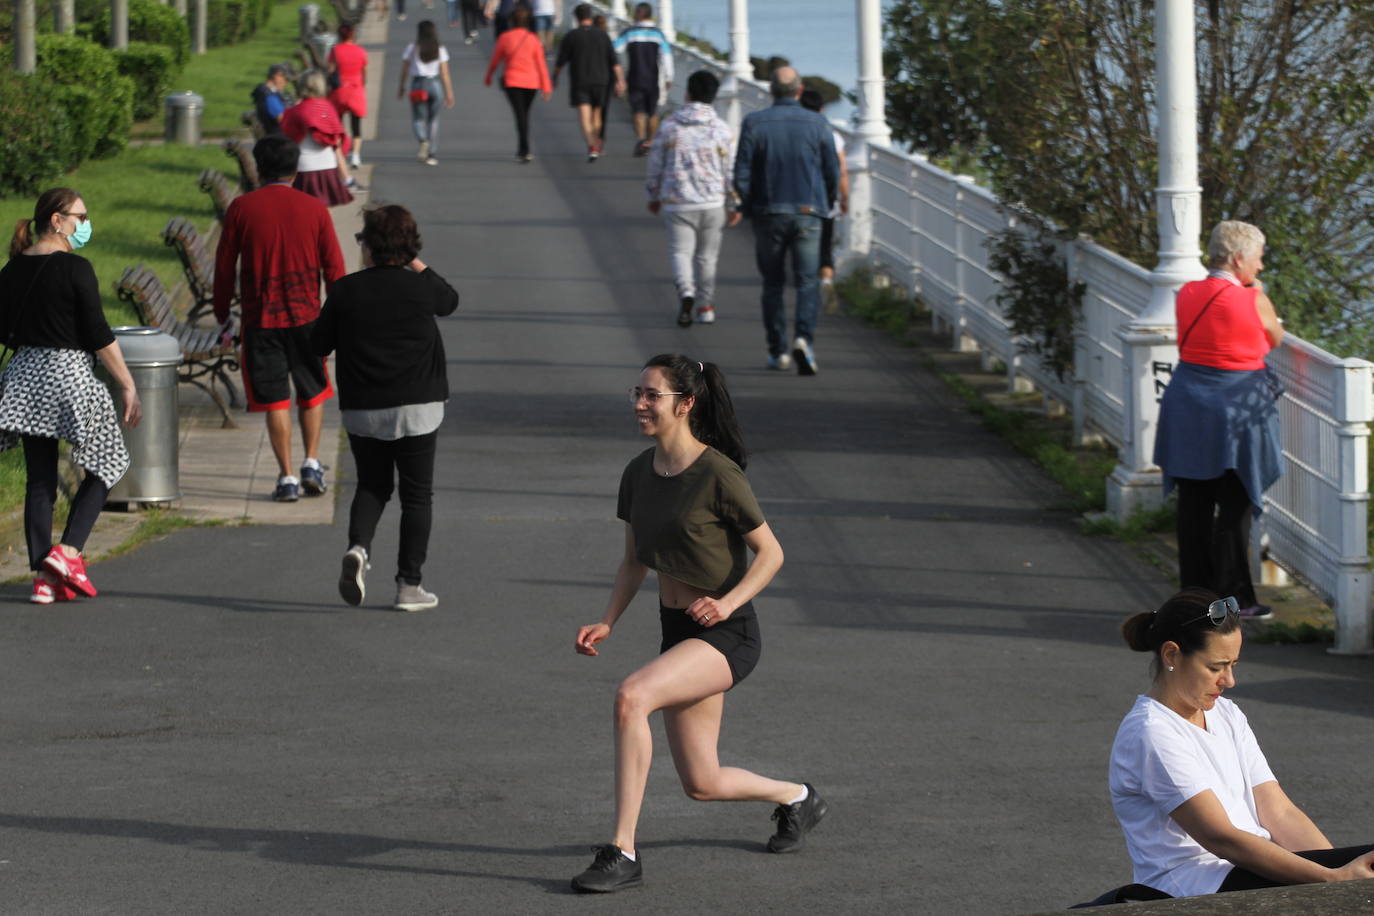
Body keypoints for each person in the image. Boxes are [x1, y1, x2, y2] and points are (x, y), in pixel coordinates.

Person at [571, 354, 827, 893]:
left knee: (631, 696)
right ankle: (798, 798)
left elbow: (772, 554)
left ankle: (622, 850)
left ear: (685, 404)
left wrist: (729, 603)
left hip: (727, 634)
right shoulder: (638, 472)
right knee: (702, 784)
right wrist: (608, 621)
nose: (640, 404)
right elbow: (634, 559)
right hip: (679, 630)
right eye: (637, 393)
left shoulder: (717, 473)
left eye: (652, 395)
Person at [1110, 588, 1374, 898]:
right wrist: (1332, 881)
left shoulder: (1226, 713)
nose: (1229, 680)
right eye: (1216, 667)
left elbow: (1279, 812)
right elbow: (1220, 838)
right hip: (1193, 885)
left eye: (1233, 665)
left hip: (1243, 868)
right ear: (1171, 655)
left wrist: (1340, 876)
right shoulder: (1151, 733)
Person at [312, 205, 459, 613]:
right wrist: (412, 258)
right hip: (419, 406)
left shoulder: (345, 290)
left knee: (372, 485)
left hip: (364, 407)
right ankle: (409, 586)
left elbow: (317, 346)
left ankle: (358, 548)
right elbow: (450, 300)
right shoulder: (422, 288)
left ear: (367, 245)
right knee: (417, 496)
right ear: (410, 245)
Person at [0, 189, 141, 604]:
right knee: (110, 461)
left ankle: (44, 578)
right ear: (57, 221)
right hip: (68, 377)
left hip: (24, 379)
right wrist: (127, 383)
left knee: (40, 478)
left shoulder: (9, 270)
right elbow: (99, 335)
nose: (86, 224)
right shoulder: (76, 268)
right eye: (81, 216)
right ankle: (67, 552)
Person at [1153, 221, 1285, 619]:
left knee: (1194, 505)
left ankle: (1194, 598)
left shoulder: (1187, 293)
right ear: (1239, 257)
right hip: (1235, 410)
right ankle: (1235, 600)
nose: (1260, 267)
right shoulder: (1252, 299)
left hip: (1188, 404)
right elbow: (1275, 338)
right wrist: (1257, 299)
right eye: (1259, 258)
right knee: (1235, 504)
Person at [213, 136, 346, 502]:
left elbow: (225, 267)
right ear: (296, 168)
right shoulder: (315, 208)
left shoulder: (241, 208)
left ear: (259, 167)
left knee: (275, 400)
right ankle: (312, 461)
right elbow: (334, 267)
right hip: (307, 317)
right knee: (312, 390)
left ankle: (286, 476)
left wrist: (222, 312)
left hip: (260, 320)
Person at [733, 67, 839, 375]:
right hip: (809, 212)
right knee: (807, 282)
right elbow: (831, 170)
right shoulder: (818, 122)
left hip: (768, 212)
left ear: (771, 90)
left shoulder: (754, 122)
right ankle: (804, 339)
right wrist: (826, 201)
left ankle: (777, 351)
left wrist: (751, 203)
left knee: (773, 284)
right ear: (799, 89)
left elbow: (741, 173)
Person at [645, 70, 741, 327]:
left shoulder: (670, 126)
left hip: (677, 200)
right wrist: (734, 202)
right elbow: (730, 169)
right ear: (714, 96)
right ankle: (706, 306)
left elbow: (656, 164)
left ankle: (686, 292)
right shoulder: (721, 129)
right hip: (712, 201)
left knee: (680, 252)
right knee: (707, 257)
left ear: (687, 93)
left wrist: (653, 194)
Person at [798, 88, 849, 314]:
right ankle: (827, 282)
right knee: (825, 248)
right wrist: (844, 196)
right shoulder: (833, 136)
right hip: (826, 201)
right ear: (822, 110)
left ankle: (807, 288)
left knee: (803, 248)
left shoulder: (795, 133)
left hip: (798, 201)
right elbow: (841, 170)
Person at [553, 3, 624, 162]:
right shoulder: (603, 35)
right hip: (601, 80)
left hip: (580, 80)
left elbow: (560, 62)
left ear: (576, 18)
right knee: (597, 114)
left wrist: (554, 78)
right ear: (590, 17)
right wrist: (620, 80)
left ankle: (591, 146)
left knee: (584, 116)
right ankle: (596, 144)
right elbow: (614, 61)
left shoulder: (571, 36)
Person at [484, 5, 552, 163]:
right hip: (532, 83)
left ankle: (524, 149)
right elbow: (541, 65)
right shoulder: (533, 39)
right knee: (524, 114)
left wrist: (489, 76)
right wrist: (546, 86)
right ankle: (524, 148)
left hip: (513, 82)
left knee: (520, 115)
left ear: (511, 21)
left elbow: (495, 60)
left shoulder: (505, 38)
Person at [280, 70, 355, 206]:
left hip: (303, 168)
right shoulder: (327, 108)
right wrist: (345, 174)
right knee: (324, 214)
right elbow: (336, 142)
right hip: (327, 165)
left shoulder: (294, 111)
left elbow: (287, 139)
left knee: (303, 212)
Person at [612, 2, 672, 157]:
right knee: (653, 113)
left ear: (639, 14)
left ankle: (640, 140)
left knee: (638, 111)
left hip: (635, 78)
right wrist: (669, 77)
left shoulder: (629, 33)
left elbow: (615, 49)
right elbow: (666, 56)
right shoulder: (658, 34)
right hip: (653, 79)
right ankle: (650, 141)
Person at [398, 20, 456, 166]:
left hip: (418, 84)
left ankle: (423, 140)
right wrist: (449, 93)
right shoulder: (440, 48)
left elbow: (405, 69)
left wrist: (401, 86)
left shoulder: (412, 48)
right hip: (435, 84)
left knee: (418, 118)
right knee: (433, 119)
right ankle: (432, 153)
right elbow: (445, 73)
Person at [327, 22, 369, 170]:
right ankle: (356, 156)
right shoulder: (360, 51)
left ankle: (339, 154)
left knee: (338, 126)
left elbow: (330, 71)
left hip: (339, 92)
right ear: (352, 34)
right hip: (355, 91)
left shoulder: (335, 51)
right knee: (356, 126)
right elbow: (364, 74)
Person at [251, 64, 291, 135]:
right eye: (286, 79)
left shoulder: (264, 92)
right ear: (277, 76)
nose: (286, 82)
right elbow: (282, 120)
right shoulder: (270, 96)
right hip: (279, 138)